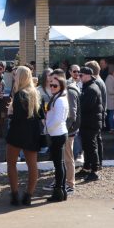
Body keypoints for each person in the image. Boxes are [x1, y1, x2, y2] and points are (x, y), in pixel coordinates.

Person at [4, 65, 42, 206]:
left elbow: (17, 117)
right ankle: (28, 195)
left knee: (11, 164)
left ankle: (15, 195)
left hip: (16, 133)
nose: (14, 77)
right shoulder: (36, 94)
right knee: (32, 166)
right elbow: (41, 115)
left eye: (15, 75)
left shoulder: (19, 95)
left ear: (19, 77)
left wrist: (10, 113)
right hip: (32, 134)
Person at [44, 72, 69, 202]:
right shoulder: (58, 98)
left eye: (55, 85)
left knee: (59, 164)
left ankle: (59, 191)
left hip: (57, 134)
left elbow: (58, 119)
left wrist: (48, 128)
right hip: (57, 133)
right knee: (60, 164)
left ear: (61, 86)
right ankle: (61, 191)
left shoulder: (59, 100)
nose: (52, 87)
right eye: (51, 85)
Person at [77, 67, 103, 182]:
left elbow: (86, 107)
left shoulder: (91, 89)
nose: (79, 77)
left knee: (91, 147)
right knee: (87, 146)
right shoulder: (88, 87)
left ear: (88, 75)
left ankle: (95, 171)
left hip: (91, 123)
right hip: (88, 122)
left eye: (81, 75)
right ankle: (87, 168)